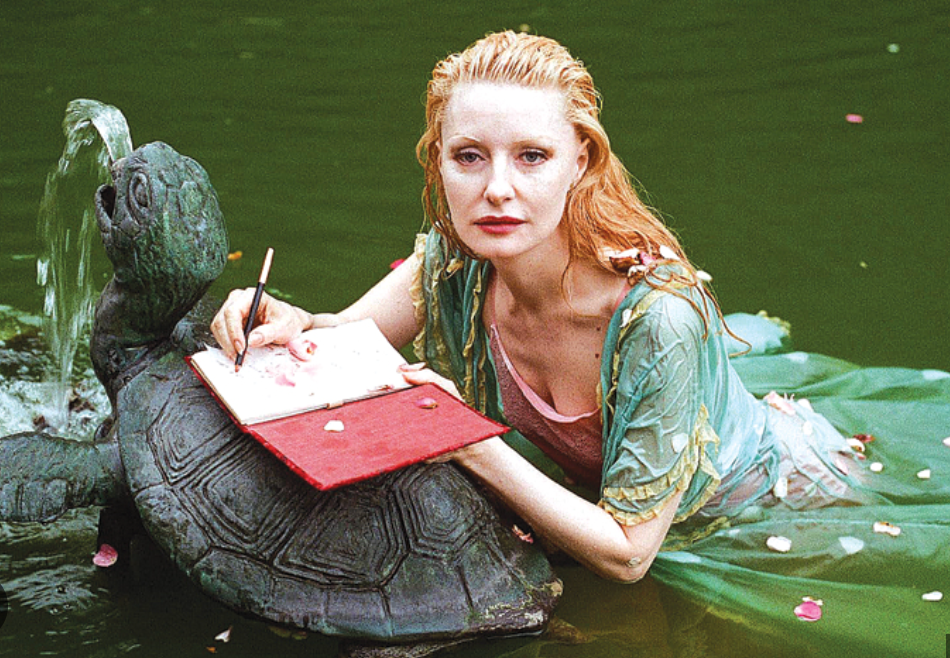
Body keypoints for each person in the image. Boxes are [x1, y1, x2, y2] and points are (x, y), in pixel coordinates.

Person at [213, 31, 950, 655]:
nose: (497, 189)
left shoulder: (658, 318)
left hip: (758, 514)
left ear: (582, 161)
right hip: (603, 502)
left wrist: (465, 441)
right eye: (469, 156)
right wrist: (282, 319)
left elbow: (628, 556)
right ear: (437, 160)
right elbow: (340, 340)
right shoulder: (455, 260)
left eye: (532, 156)